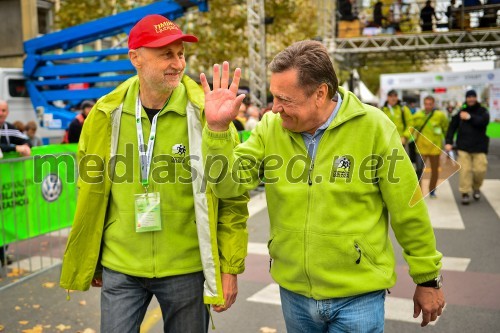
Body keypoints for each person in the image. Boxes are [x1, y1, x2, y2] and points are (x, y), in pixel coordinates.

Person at [201, 40, 445, 331]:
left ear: (320, 93)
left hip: (358, 297)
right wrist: (216, 131)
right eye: (273, 97)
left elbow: (409, 209)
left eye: (285, 99)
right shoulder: (270, 128)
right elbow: (228, 187)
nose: (275, 107)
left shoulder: (374, 127)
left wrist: (427, 278)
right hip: (294, 295)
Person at [59, 15, 249, 332]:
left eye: (181, 54)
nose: (178, 64)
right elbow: (89, 189)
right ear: (135, 57)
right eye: (166, 55)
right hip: (121, 266)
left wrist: (229, 268)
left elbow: (231, 196)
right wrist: (92, 254)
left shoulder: (207, 113)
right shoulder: (106, 113)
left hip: (186, 269)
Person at [445, 89, 489, 205]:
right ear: (466, 98)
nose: (471, 99)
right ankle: (465, 193)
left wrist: (470, 117)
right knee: (465, 171)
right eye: (469, 97)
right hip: (463, 147)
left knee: (480, 170)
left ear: (476, 98)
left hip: (479, 147)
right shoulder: (460, 112)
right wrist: (448, 142)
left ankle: (476, 187)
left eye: (473, 96)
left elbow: (484, 122)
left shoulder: (482, 111)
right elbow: (451, 127)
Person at [0, 100, 31, 266]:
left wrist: (25, 146)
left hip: (5, 184)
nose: (1, 113)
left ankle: (2, 255)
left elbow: (26, 140)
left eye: (4, 110)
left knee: (6, 219)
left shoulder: (9, 127)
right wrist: (13, 148)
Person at [412, 96, 449, 198]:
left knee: (435, 170)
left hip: (435, 148)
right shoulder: (418, 115)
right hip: (420, 148)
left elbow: (446, 128)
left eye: (430, 104)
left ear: (433, 104)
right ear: (423, 104)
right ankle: (418, 191)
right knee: (419, 170)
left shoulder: (440, 116)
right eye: (426, 104)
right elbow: (411, 127)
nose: (428, 106)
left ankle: (432, 190)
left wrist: (448, 142)